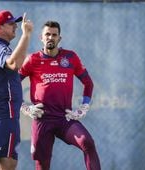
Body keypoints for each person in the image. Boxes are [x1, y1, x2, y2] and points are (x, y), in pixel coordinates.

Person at [19, 21, 101, 170]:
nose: (51, 37)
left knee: (87, 142)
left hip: (65, 118)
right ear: (41, 38)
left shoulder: (70, 57)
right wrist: (25, 108)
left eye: (54, 35)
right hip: (42, 119)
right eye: (47, 34)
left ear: (59, 38)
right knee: (42, 165)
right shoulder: (32, 59)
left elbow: (88, 83)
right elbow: (12, 84)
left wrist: (84, 107)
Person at [0, 10, 33, 170]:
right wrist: (26, 35)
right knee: (8, 162)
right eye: (10, 24)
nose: (15, 26)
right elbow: (14, 63)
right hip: (2, 114)